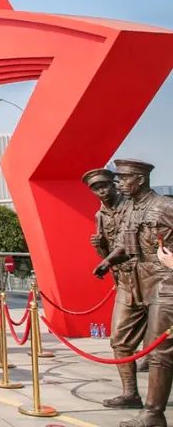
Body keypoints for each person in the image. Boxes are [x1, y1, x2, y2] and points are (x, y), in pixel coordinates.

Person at [94, 158, 173, 427]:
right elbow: (125, 245)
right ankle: (132, 395)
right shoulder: (129, 210)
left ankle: (153, 414)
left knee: (159, 352)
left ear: (140, 180)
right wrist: (107, 262)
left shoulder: (165, 206)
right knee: (120, 339)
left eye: (124, 178)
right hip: (136, 282)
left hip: (164, 283)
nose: (119, 183)